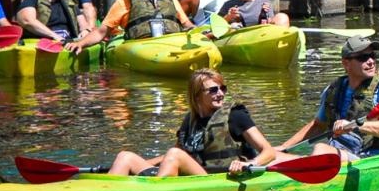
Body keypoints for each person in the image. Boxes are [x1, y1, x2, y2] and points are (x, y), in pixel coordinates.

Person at [107, 68, 280, 177]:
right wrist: (147, 163)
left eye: (222, 88)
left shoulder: (235, 116)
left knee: (174, 154)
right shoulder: (189, 121)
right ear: (197, 95)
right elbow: (174, 155)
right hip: (193, 176)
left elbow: (269, 152)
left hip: (217, 179)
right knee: (125, 157)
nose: (220, 93)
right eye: (213, 90)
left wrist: (249, 164)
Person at [279, 38, 379, 161]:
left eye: (372, 55)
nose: (371, 61)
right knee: (277, 156)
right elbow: (318, 126)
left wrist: (353, 126)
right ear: (346, 63)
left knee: (320, 149)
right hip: (341, 152)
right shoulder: (333, 90)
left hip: (372, 157)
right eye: (363, 58)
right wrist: (284, 147)